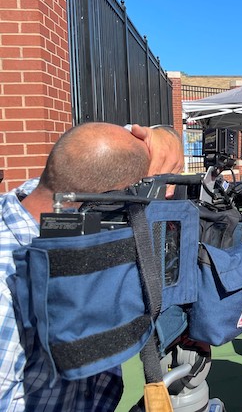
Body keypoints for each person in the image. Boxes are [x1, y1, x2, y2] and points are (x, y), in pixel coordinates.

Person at [0, 122, 173, 411]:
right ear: (106, 204)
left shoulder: (45, 196)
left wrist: (166, 138)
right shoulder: (9, 278)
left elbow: (91, 163)